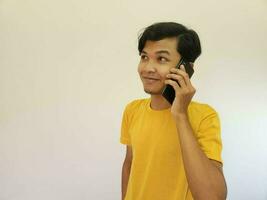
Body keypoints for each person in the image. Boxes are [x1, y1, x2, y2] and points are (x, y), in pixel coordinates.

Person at [120, 22, 227, 200]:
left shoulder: (205, 116)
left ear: (185, 68)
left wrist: (180, 114)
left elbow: (212, 196)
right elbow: (130, 164)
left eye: (161, 59)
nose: (147, 68)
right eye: (144, 57)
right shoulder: (132, 110)